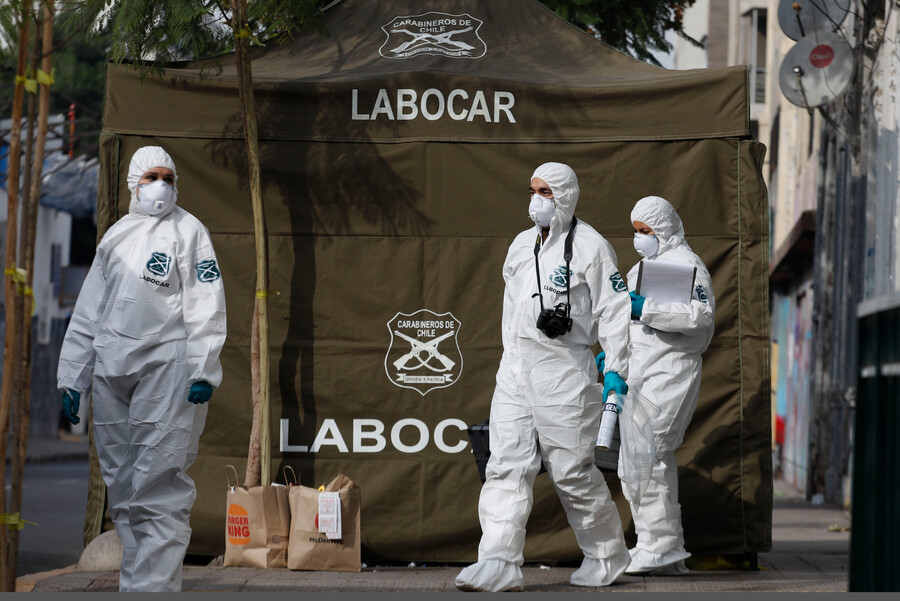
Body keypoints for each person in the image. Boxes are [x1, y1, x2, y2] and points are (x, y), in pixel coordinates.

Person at [455, 162, 633, 592]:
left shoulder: (591, 248)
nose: (536, 200)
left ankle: (607, 555)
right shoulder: (521, 245)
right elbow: (510, 309)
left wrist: (615, 369)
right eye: (533, 190)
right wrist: (511, 360)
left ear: (565, 196)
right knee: (504, 466)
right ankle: (498, 561)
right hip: (516, 369)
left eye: (546, 192)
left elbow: (615, 311)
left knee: (572, 471)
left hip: (564, 372)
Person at [57, 146, 227, 592]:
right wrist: (73, 376)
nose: (161, 185)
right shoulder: (116, 237)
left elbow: (206, 303)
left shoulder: (189, 231)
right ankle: (138, 586)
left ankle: (154, 589)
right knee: (123, 486)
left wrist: (203, 368)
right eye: (152, 176)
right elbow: (90, 310)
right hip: (112, 369)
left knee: (159, 483)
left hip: (165, 367)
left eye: (169, 178)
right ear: (135, 182)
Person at [615, 195, 715, 575]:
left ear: (665, 228)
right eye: (636, 231)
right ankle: (663, 548)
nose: (639, 238)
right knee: (637, 461)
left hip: (673, 371)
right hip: (643, 372)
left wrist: (648, 309)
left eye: (647, 230)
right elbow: (630, 323)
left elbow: (701, 316)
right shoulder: (642, 269)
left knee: (648, 454)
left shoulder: (688, 265)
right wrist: (615, 356)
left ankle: (659, 547)